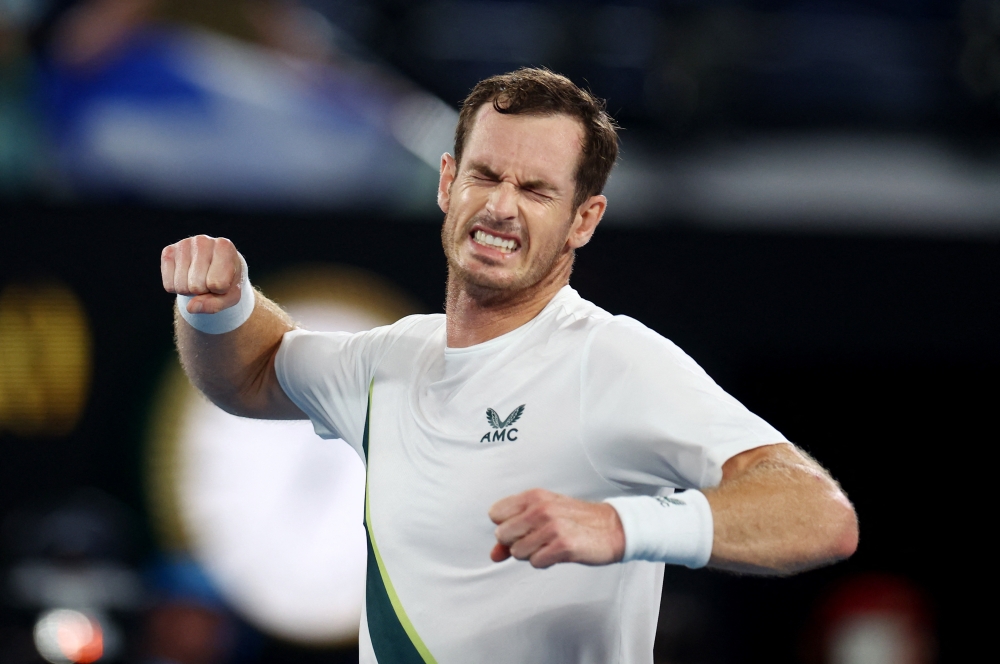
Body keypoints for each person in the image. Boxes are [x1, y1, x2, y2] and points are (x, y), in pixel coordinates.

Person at [160, 68, 858, 664]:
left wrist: (624, 526)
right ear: (447, 181)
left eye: (535, 190)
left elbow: (819, 515)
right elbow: (249, 372)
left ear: (584, 220)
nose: (500, 206)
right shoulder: (388, 361)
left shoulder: (610, 360)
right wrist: (219, 304)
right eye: (486, 176)